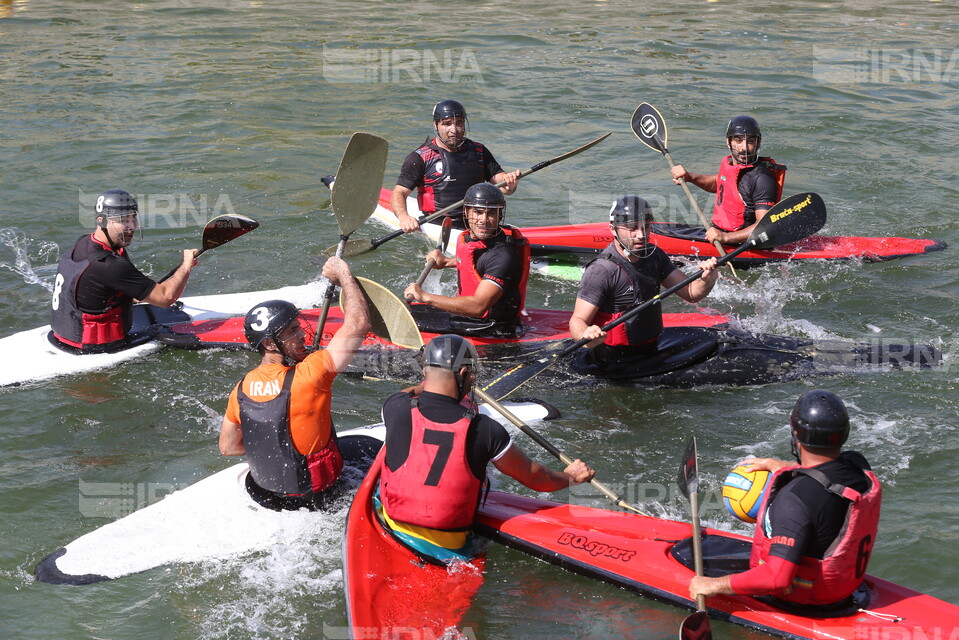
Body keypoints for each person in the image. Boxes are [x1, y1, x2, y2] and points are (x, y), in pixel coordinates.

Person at [378, 334, 595, 560]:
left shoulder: (395, 407)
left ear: (424, 373)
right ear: (464, 374)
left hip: (393, 529)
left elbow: (406, 393)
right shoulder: (485, 428)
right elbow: (536, 479)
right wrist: (570, 477)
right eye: (471, 376)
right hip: (450, 544)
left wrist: (428, 384)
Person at [689, 390, 882, 609]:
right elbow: (826, 482)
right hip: (846, 589)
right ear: (844, 433)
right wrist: (785, 466)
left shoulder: (792, 499)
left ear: (795, 436)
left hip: (802, 601)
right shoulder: (858, 467)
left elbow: (776, 578)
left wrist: (712, 585)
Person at [218, 257, 371, 511]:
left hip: (269, 493)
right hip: (321, 496)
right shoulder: (311, 373)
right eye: (291, 332)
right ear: (269, 344)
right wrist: (344, 274)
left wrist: (277, 450)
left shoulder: (240, 389)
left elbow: (228, 447)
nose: (301, 335)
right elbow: (359, 324)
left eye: (298, 328)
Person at [569, 196, 718, 365]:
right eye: (632, 228)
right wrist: (587, 335)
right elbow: (577, 321)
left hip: (652, 348)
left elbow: (692, 293)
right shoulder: (602, 270)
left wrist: (708, 279)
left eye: (646, 227)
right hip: (612, 358)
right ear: (613, 229)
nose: (641, 235)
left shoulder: (654, 255)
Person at [50, 189, 198, 352]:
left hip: (63, 334)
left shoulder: (83, 242)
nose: (131, 227)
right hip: (97, 346)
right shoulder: (110, 265)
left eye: (133, 218)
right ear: (101, 221)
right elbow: (166, 298)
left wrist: (140, 293)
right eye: (123, 220)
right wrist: (186, 265)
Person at [403, 182, 530, 337]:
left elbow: (478, 306)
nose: (483, 220)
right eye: (477, 212)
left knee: (404, 320)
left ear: (499, 215)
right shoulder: (477, 239)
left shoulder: (503, 256)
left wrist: (425, 296)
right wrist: (447, 261)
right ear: (466, 212)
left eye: (491, 213)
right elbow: (478, 261)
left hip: (490, 327)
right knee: (405, 312)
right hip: (472, 318)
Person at [391, 99, 521, 232]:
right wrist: (404, 217)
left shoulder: (479, 151)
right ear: (436, 125)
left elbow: (504, 187)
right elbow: (399, 192)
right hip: (440, 226)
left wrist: (509, 182)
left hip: (479, 223)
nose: (454, 130)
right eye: (447, 124)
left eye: (459, 123)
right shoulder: (420, 157)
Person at [670, 116, 787, 246]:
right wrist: (690, 177)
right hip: (720, 233)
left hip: (743, 243)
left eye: (750, 141)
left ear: (757, 143)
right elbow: (719, 182)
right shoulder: (730, 164)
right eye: (739, 140)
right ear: (729, 142)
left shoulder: (762, 178)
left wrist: (725, 238)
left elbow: (765, 226)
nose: (744, 148)